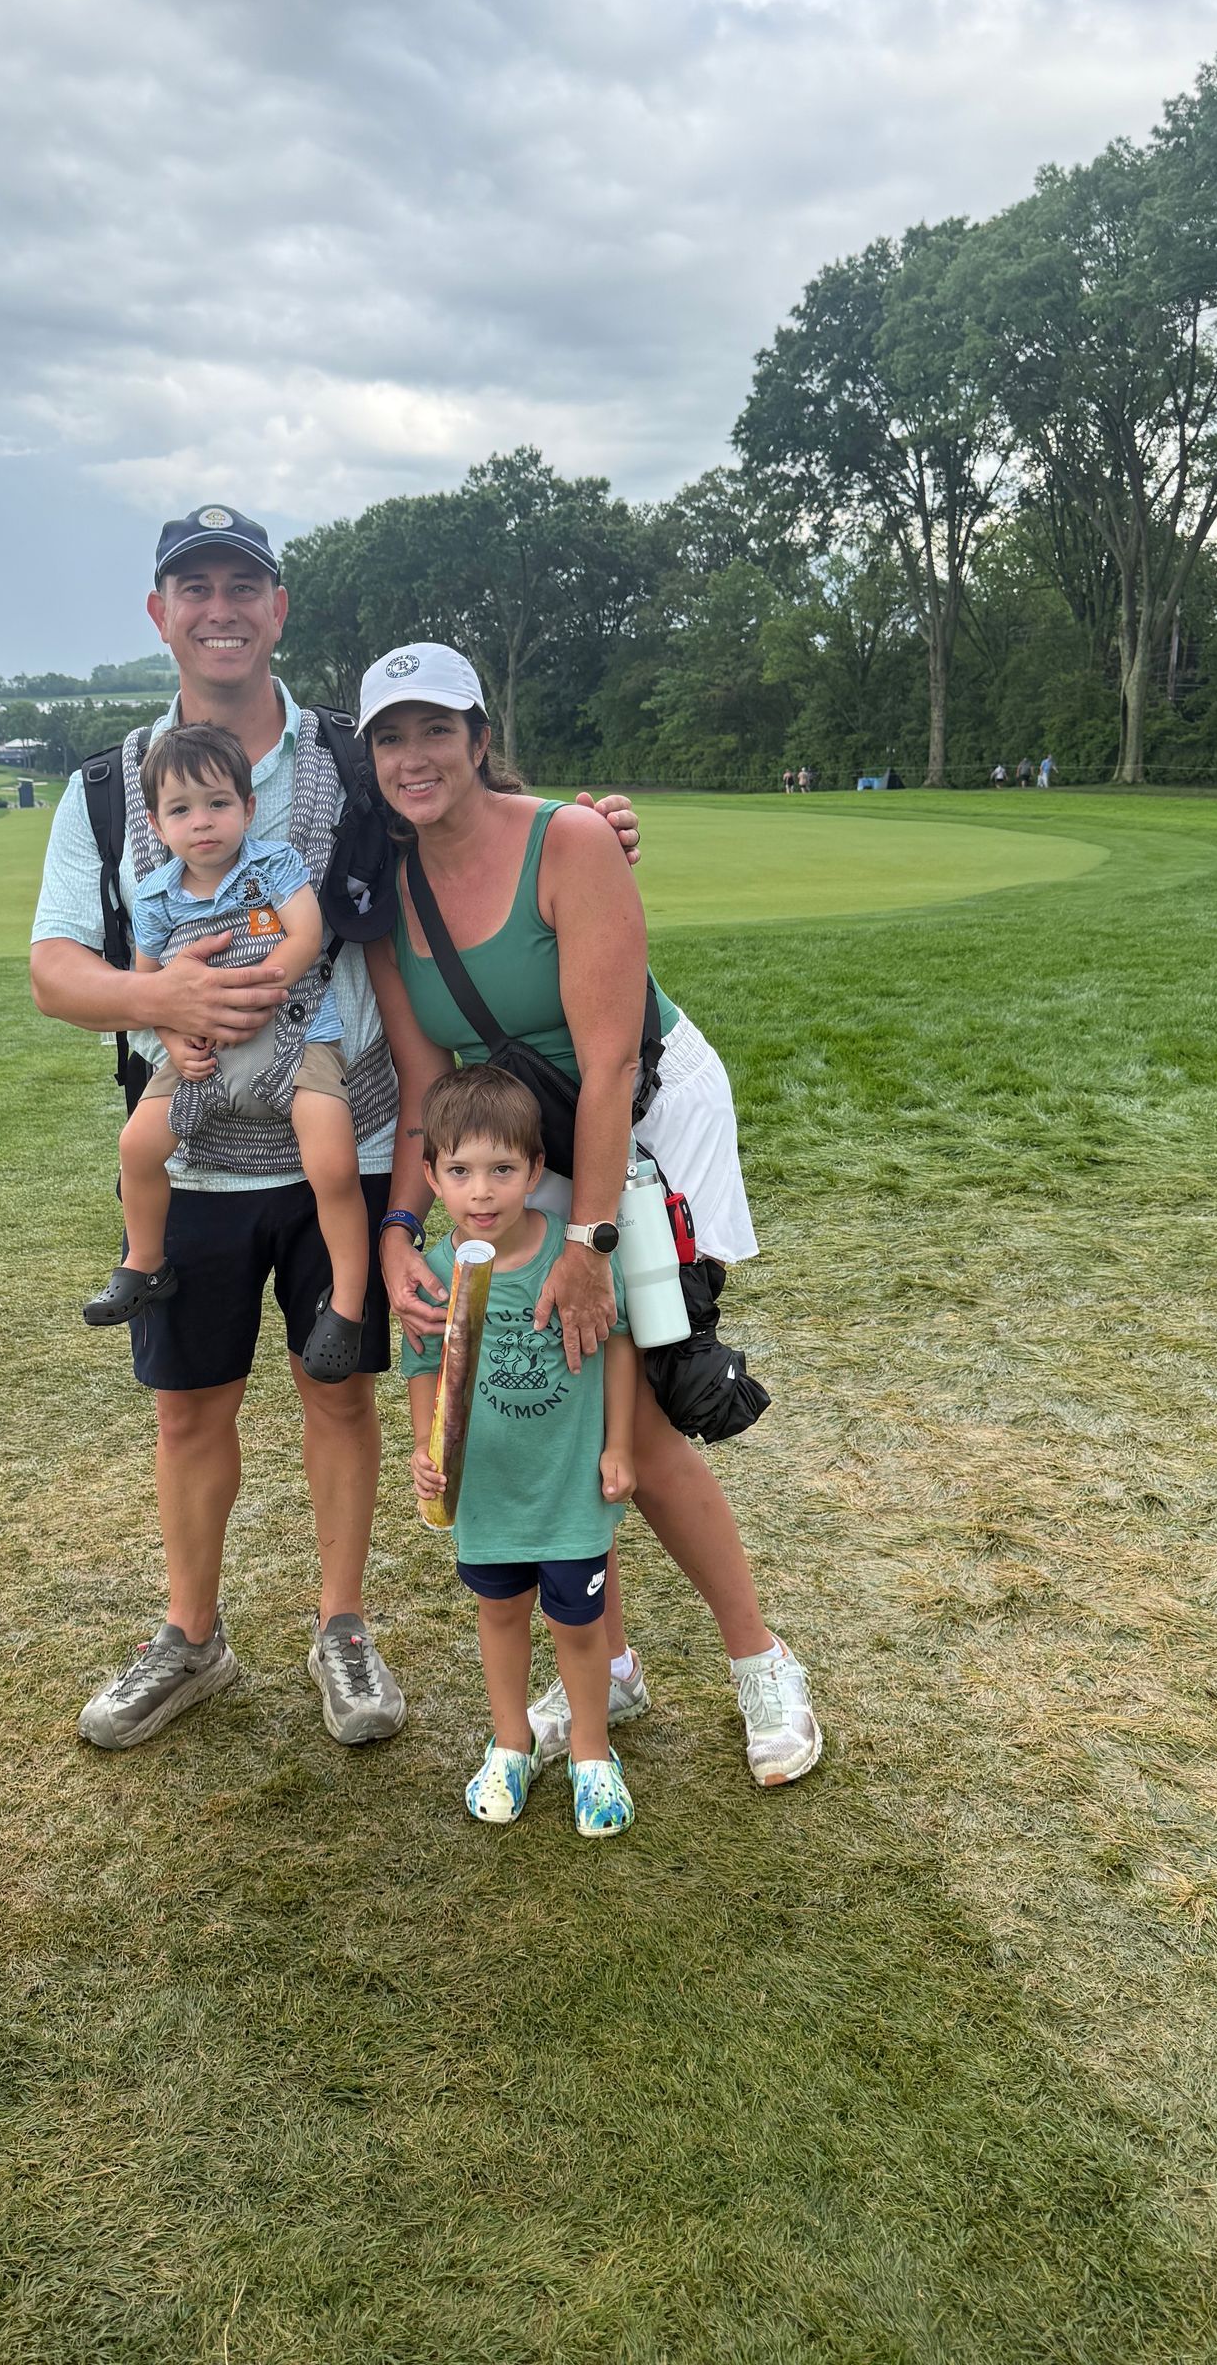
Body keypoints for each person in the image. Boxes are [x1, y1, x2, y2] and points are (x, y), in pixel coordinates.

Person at [29, 501, 646, 1754]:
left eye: (241, 584)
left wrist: (597, 829)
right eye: (191, 587)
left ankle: (343, 1628)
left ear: (277, 609)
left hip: (349, 1144)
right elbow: (53, 971)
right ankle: (190, 1637)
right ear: (159, 614)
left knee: (336, 1391)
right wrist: (161, 996)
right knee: (188, 1408)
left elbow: (468, 809)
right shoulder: (111, 791)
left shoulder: (351, 759)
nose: (218, 608)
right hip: (196, 1139)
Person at [363, 643, 822, 1789]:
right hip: (528, 1140)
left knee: (652, 1402)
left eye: (435, 730)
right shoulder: (392, 890)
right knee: (556, 1382)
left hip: (649, 1115)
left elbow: (612, 1062)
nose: (413, 757)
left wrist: (588, 1245)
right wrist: (399, 1232)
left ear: (479, 737)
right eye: (389, 736)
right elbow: (430, 1095)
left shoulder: (567, 840)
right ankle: (604, 1663)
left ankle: (762, 1662)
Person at [80, 720, 369, 1381]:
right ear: (156, 824)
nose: (202, 822)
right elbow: (145, 983)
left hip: (293, 1035)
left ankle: (348, 1301)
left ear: (249, 808)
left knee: (333, 1161)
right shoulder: (156, 896)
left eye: (217, 804)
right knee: (137, 1148)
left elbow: (306, 933)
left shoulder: (271, 865)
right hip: (198, 1051)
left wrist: (261, 990)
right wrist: (176, 1040)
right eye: (181, 810)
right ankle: (145, 1263)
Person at [403, 1067, 639, 1837]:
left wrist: (619, 1447)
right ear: (432, 1177)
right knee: (499, 1615)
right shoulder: (436, 1277)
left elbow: (619, 1346)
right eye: (461, 1171)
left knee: (581, 1625)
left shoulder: (570, 1265)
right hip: (488, 1492)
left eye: (502, 1170)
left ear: (536, 1172)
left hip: (569, 1486)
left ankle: (591, 1755)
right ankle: (510, 1743)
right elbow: (425, 1371)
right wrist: (426, 1454)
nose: (482, 1192)